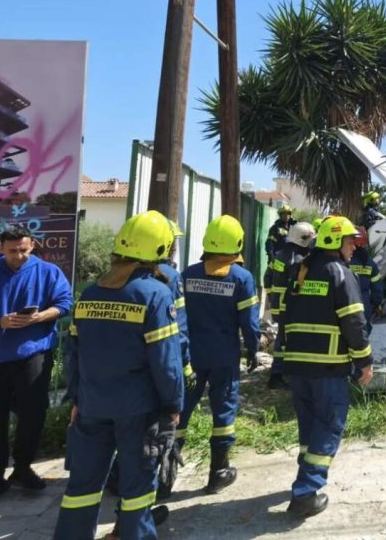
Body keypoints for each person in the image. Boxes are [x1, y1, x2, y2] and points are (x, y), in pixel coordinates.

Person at [52, 211, 183, 540]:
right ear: (160, 250)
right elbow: (166, 361)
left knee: (82, 487)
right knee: (138, 487)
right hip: (138, 410)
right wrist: (173, 405)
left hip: (92, 404)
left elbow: (73, 354)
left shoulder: (90, 293)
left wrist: (78, 398)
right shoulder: (155, 294)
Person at [281, 215, 372, 518]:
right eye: (349, 241)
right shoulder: (339, 273)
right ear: (335, 242)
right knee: (330, 423)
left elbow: (285, 314)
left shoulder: (301, 270)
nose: (353, 248)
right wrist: (364, 361)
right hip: (329, 367)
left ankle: (305, 476)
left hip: (297, 367)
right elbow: (354, 323)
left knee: (309, 425)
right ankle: (306, 491)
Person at [177, 215, 259, 494]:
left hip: (189, 357)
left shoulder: (187, 274)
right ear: (237, 243)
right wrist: (253, 349)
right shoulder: (242, 278)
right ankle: (219, 472)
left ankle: (162, 477)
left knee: (180, 411)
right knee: (223, 411)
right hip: (224, 356)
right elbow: (249, 323)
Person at [0, 224, 73, 504]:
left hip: (34, 355)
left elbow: (65, 303)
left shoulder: (48, 272)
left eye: (24, 250)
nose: (19, 256)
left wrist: (40, 317)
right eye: (12, 251)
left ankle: (23, 467)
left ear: (32, 245)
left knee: (33, 414)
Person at [264, 221, 316, 390]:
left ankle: (278, 373)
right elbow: (298, 286)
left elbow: (267, 277)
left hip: (278, 304)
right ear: (303, 240)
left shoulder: (279, 255)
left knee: (282, 336)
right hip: (290, 305)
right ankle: (280, 374)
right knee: (289, 339)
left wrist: (271, 295)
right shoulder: (299, 260)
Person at [347, 227, 383, 333]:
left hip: (345, 304)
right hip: (364, 305)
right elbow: (377, 288)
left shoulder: (342, 261)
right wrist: (376, 304)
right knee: (363, 333)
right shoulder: (369, 262)